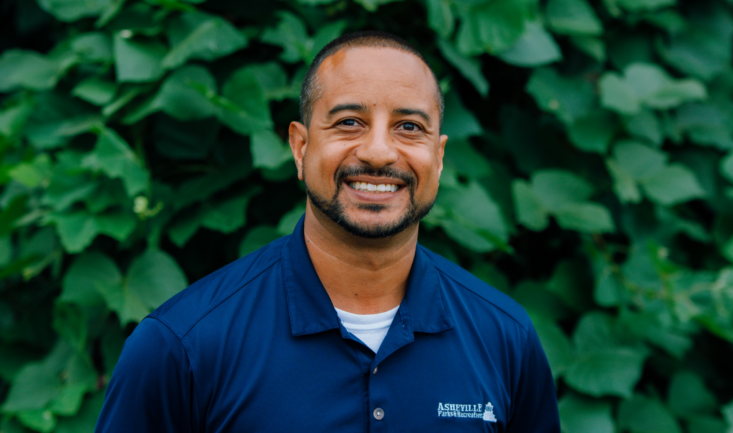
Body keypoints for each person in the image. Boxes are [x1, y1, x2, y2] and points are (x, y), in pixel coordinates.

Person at [95, 31, 560, 432]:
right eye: (349, 122)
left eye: (408, 127)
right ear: (299, 147)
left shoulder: (506, 339)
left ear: (437, 158)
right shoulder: (183, 346)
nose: (379, 152)